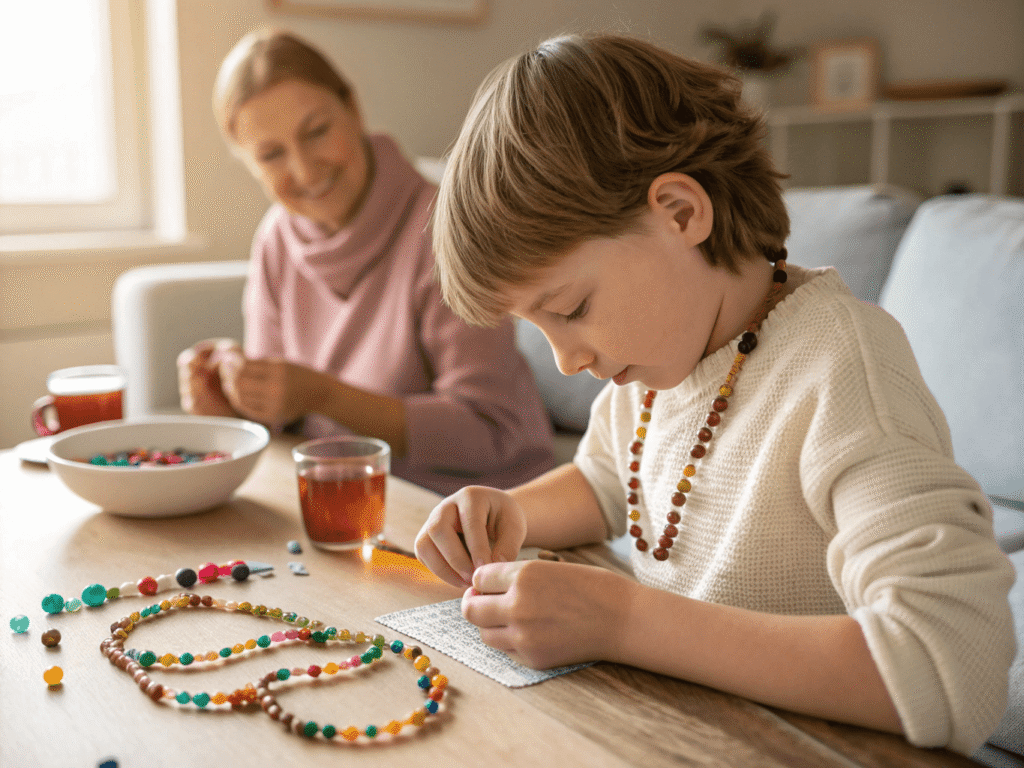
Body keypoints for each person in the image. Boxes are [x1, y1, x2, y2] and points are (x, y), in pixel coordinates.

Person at [414, 32, 1016, 755]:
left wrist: (625, 622)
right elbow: (611, 483)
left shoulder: (842, 369)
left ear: (680, 213)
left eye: (569, 309)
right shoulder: (663, 360)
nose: (566, 358)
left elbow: (951, 668)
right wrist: (510, 512)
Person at [178, 29, 555, 496]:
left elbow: (491, 432)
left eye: (316, 132)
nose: (305, 170)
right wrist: (233, 399)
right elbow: (279, 424)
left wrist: (323, 395)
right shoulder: (276, 239)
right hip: (343, 502)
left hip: (470, 508)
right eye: (272, 154)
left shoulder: (445, 228)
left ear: (353, 109)